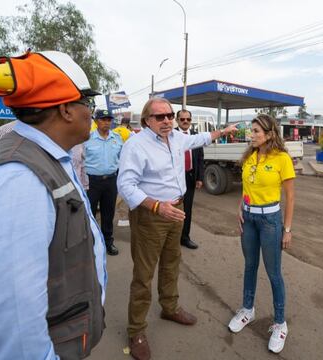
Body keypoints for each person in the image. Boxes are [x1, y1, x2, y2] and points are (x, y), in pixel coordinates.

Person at [0, 50, 107, 359]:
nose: (91, 113)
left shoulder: (47, 155)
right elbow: (13, 338)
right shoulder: (16, 180)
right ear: (66, 109)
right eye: (87, 104)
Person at [117, 98, 237, 360]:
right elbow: (126, 186)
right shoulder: (135, 145)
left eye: (170, 115)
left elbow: (200, 139)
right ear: (147, 120)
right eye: (160, 117)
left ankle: (169, 308)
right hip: (151, 215)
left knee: (172, 262)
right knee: (144, 274)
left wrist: (223, 132)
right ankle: (136, 330)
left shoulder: (177, 138)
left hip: (177, 211)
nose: (167, 120)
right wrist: (157, 207)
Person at [228, 114, 295, 354]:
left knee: (273, 272)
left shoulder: (282, 159)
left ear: (269, 134)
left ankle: (280, 323)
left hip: (270, 221)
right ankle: (247, 309)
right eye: (251, 131)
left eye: (256, 131)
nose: (252, 135)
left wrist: (287, 229)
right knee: (249, 266)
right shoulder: (249, 156)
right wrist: (240, 208)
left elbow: (290, 196)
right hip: (249, 218)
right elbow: (247, 186)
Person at [85, 109, 123, 255]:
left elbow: (122, 159)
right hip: (92, 182)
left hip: (111, 181)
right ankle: (91, 244)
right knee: (90, 214)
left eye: (109, 119)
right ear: (96, 121)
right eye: (103, 119)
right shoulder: (87, 138)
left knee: (108, 213)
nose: (107, 122)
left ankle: (108, 242)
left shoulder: (117, 138)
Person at [176, 109, 204, 249]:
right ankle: (171, 238)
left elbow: (200, 158)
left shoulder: (195, 136)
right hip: (174, 178)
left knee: (187, 209)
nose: (185, 122)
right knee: (173, 207)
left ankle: (185, 237)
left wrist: (200, 177)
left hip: (190, 176)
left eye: (188, 119)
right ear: (177, 120)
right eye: (182, 119)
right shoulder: (171, 135)